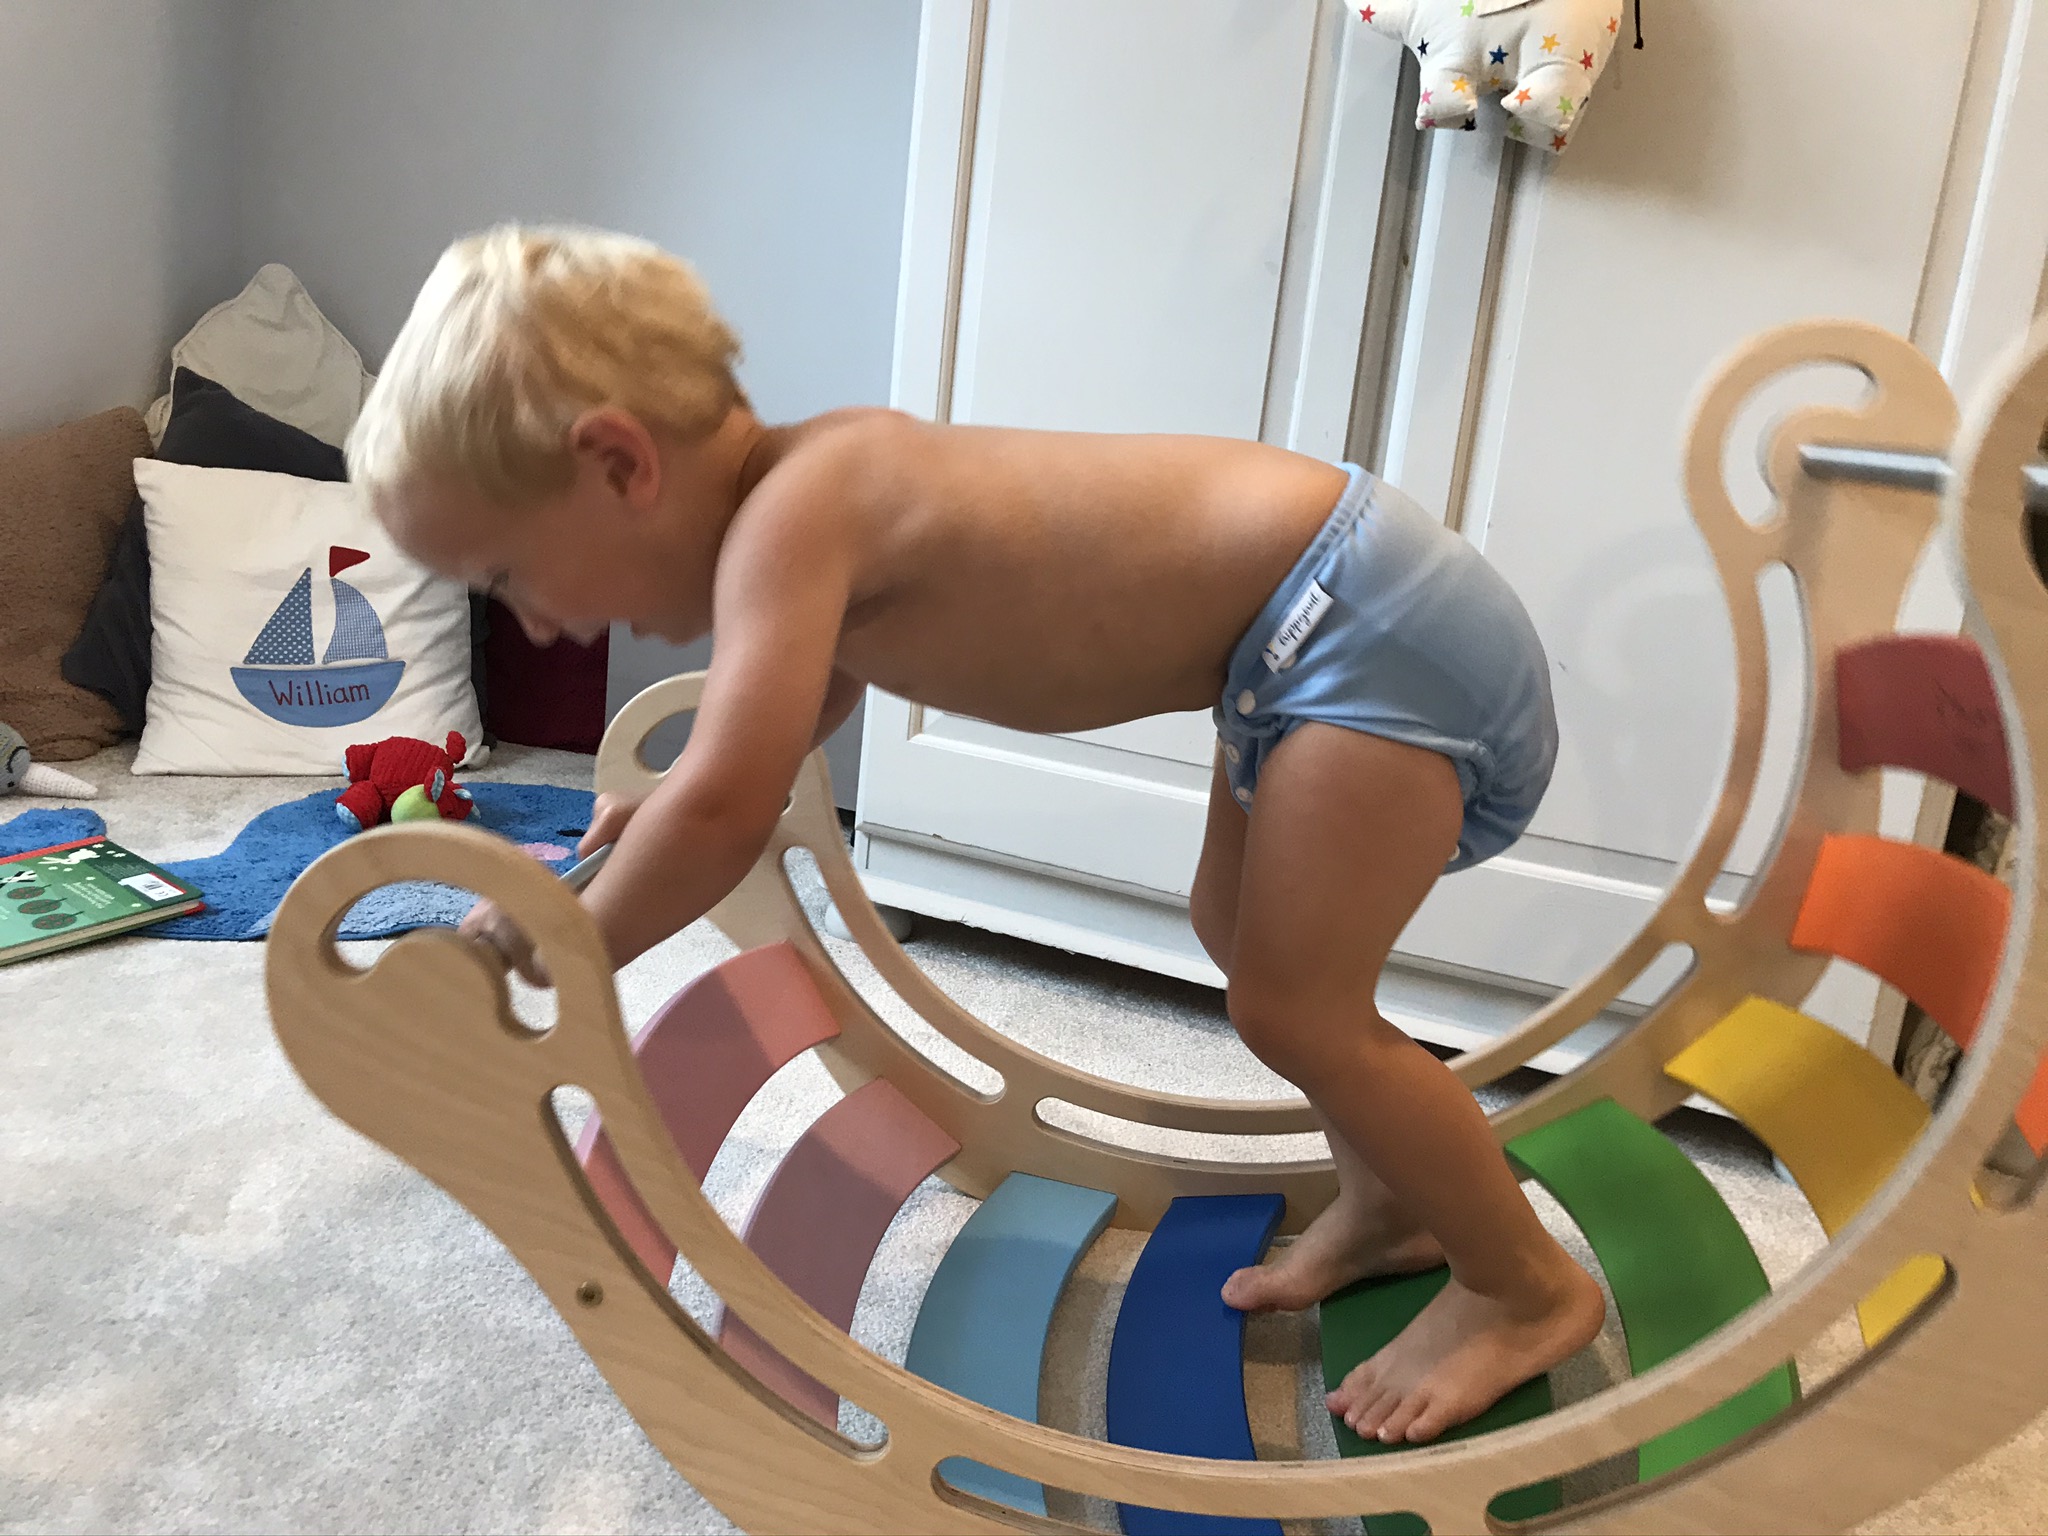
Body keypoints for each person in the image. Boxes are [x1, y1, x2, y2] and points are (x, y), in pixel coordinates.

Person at [346, 224, 1606, 1446]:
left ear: (619, 464)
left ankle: (1524, 1286)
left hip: (1361, 626)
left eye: (507, 576)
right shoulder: (803, 499)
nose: (535, 625)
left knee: (1297, 1002)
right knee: (1244, 941)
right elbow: (755, 753)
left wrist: (560, 942)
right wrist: (646, 825)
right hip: (1304, 634)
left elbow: (728, 807)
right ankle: (1394, 1205)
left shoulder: (794, 519)